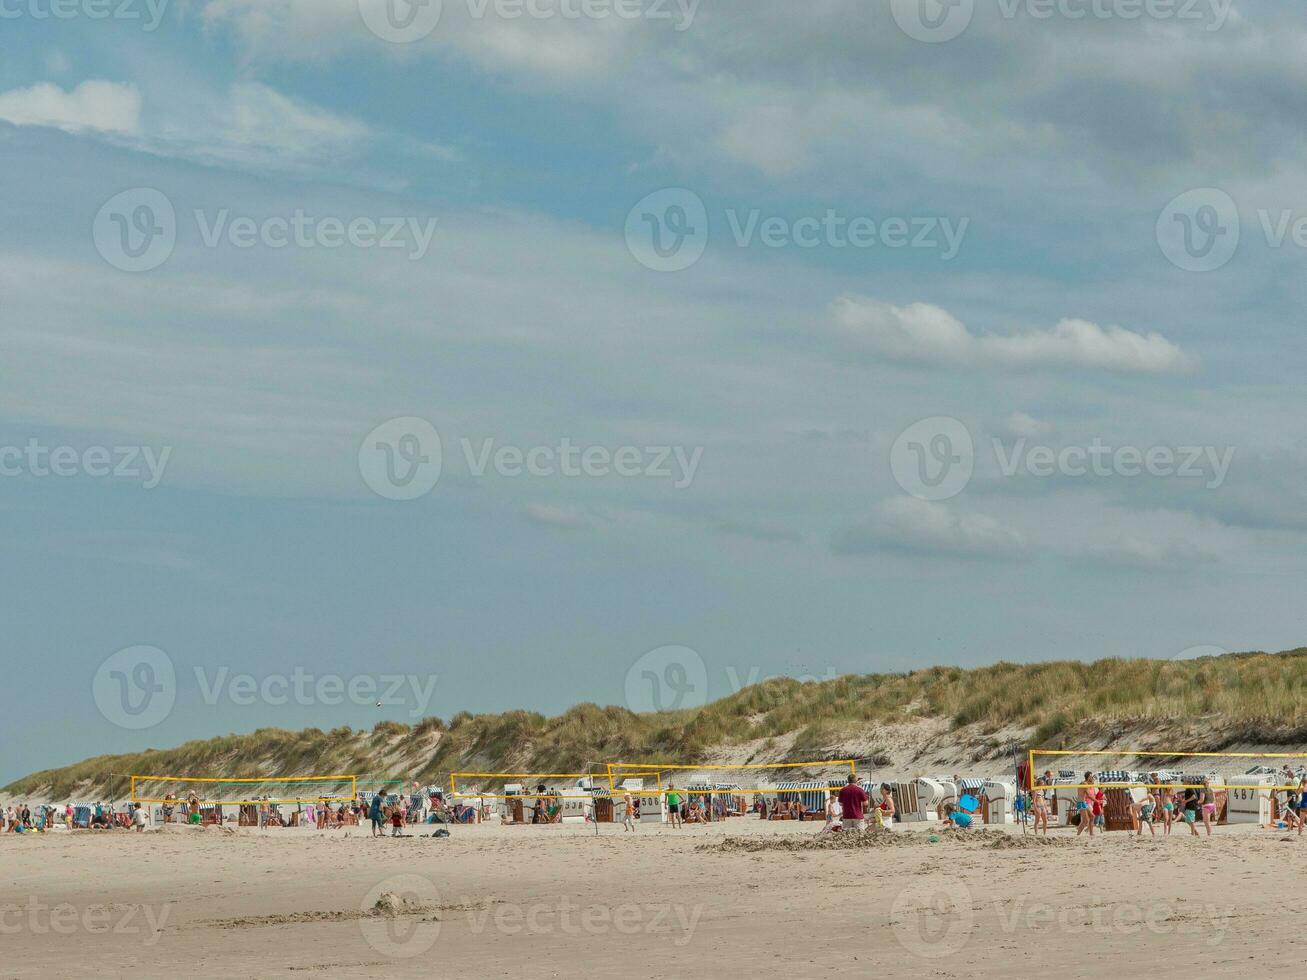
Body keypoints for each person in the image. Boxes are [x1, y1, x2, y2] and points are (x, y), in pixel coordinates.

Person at [1032, 771, 1052, 835]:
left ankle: (1044, 834)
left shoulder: (1042, 790)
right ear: (1040, 783)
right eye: (1042, 783)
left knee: (1045, 821)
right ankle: (1036, 834)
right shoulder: (1035, 790)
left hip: (1042, 806)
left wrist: (1046, 807)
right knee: (1037, 821)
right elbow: (1034, 800)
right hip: (1038, 806)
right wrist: (1035, 807)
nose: (1043, 784)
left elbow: (1043, 799)